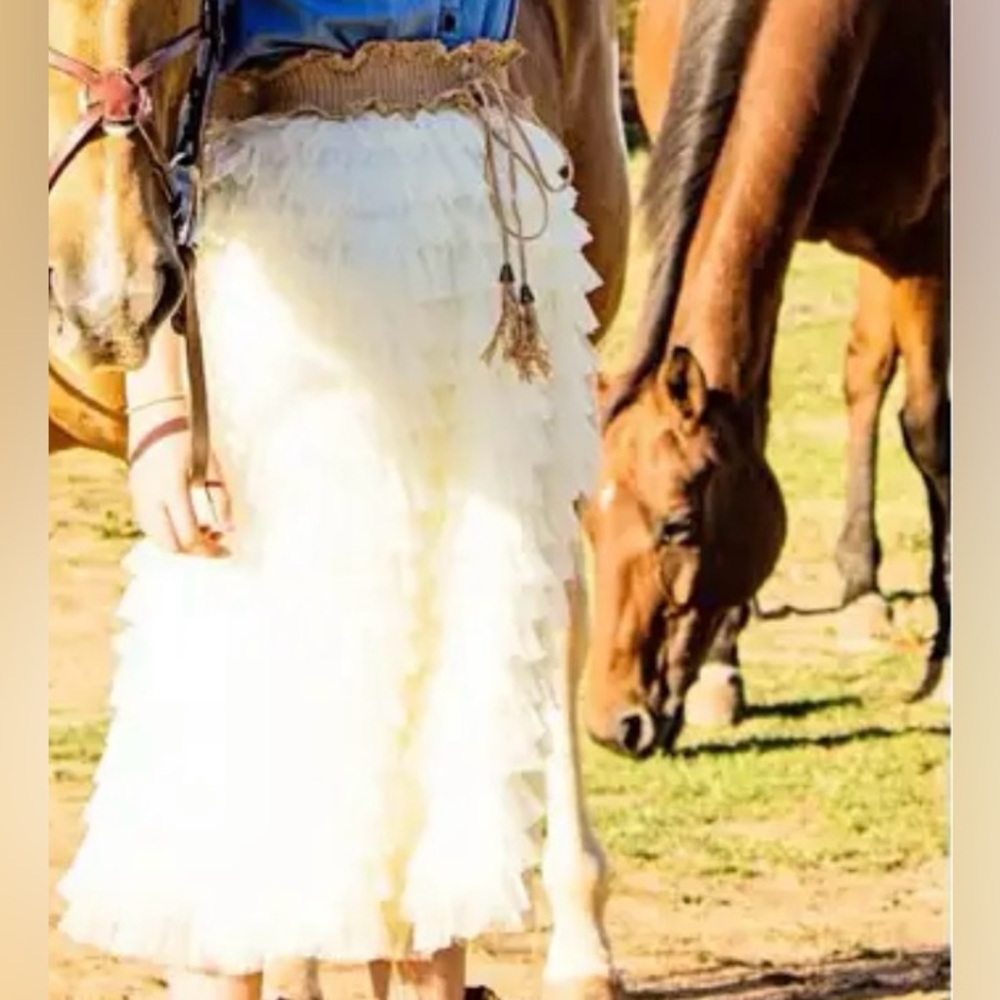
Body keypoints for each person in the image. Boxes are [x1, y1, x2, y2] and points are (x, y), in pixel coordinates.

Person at [58, 2, 601, 999]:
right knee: (245, 671)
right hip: (293, 217)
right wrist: (160, 403)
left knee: (449, 669)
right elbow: (128, 75)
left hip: (482, 223)